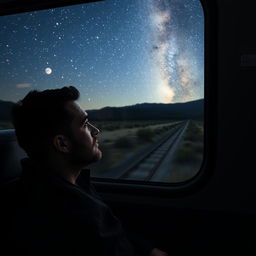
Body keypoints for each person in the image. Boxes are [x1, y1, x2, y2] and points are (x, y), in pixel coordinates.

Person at [9, 86, 168, 256]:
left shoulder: (67, 185)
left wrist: (147, 249)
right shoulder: (73, 215)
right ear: (62, 144)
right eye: (85, 124)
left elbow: (115, 235)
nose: (96, 130)